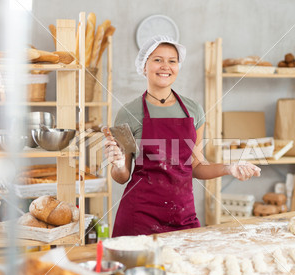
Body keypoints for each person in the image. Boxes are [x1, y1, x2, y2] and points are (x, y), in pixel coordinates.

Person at [105, 35, 261, 237]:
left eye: (172, 61)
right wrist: (117, 164)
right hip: (140, 217)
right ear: (144, 66)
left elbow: (196, 166)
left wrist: (229, 168)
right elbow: (122, 176)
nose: (165, 66)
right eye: (157, 60)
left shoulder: (193, 110)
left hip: (182, 215)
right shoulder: (127, 113)